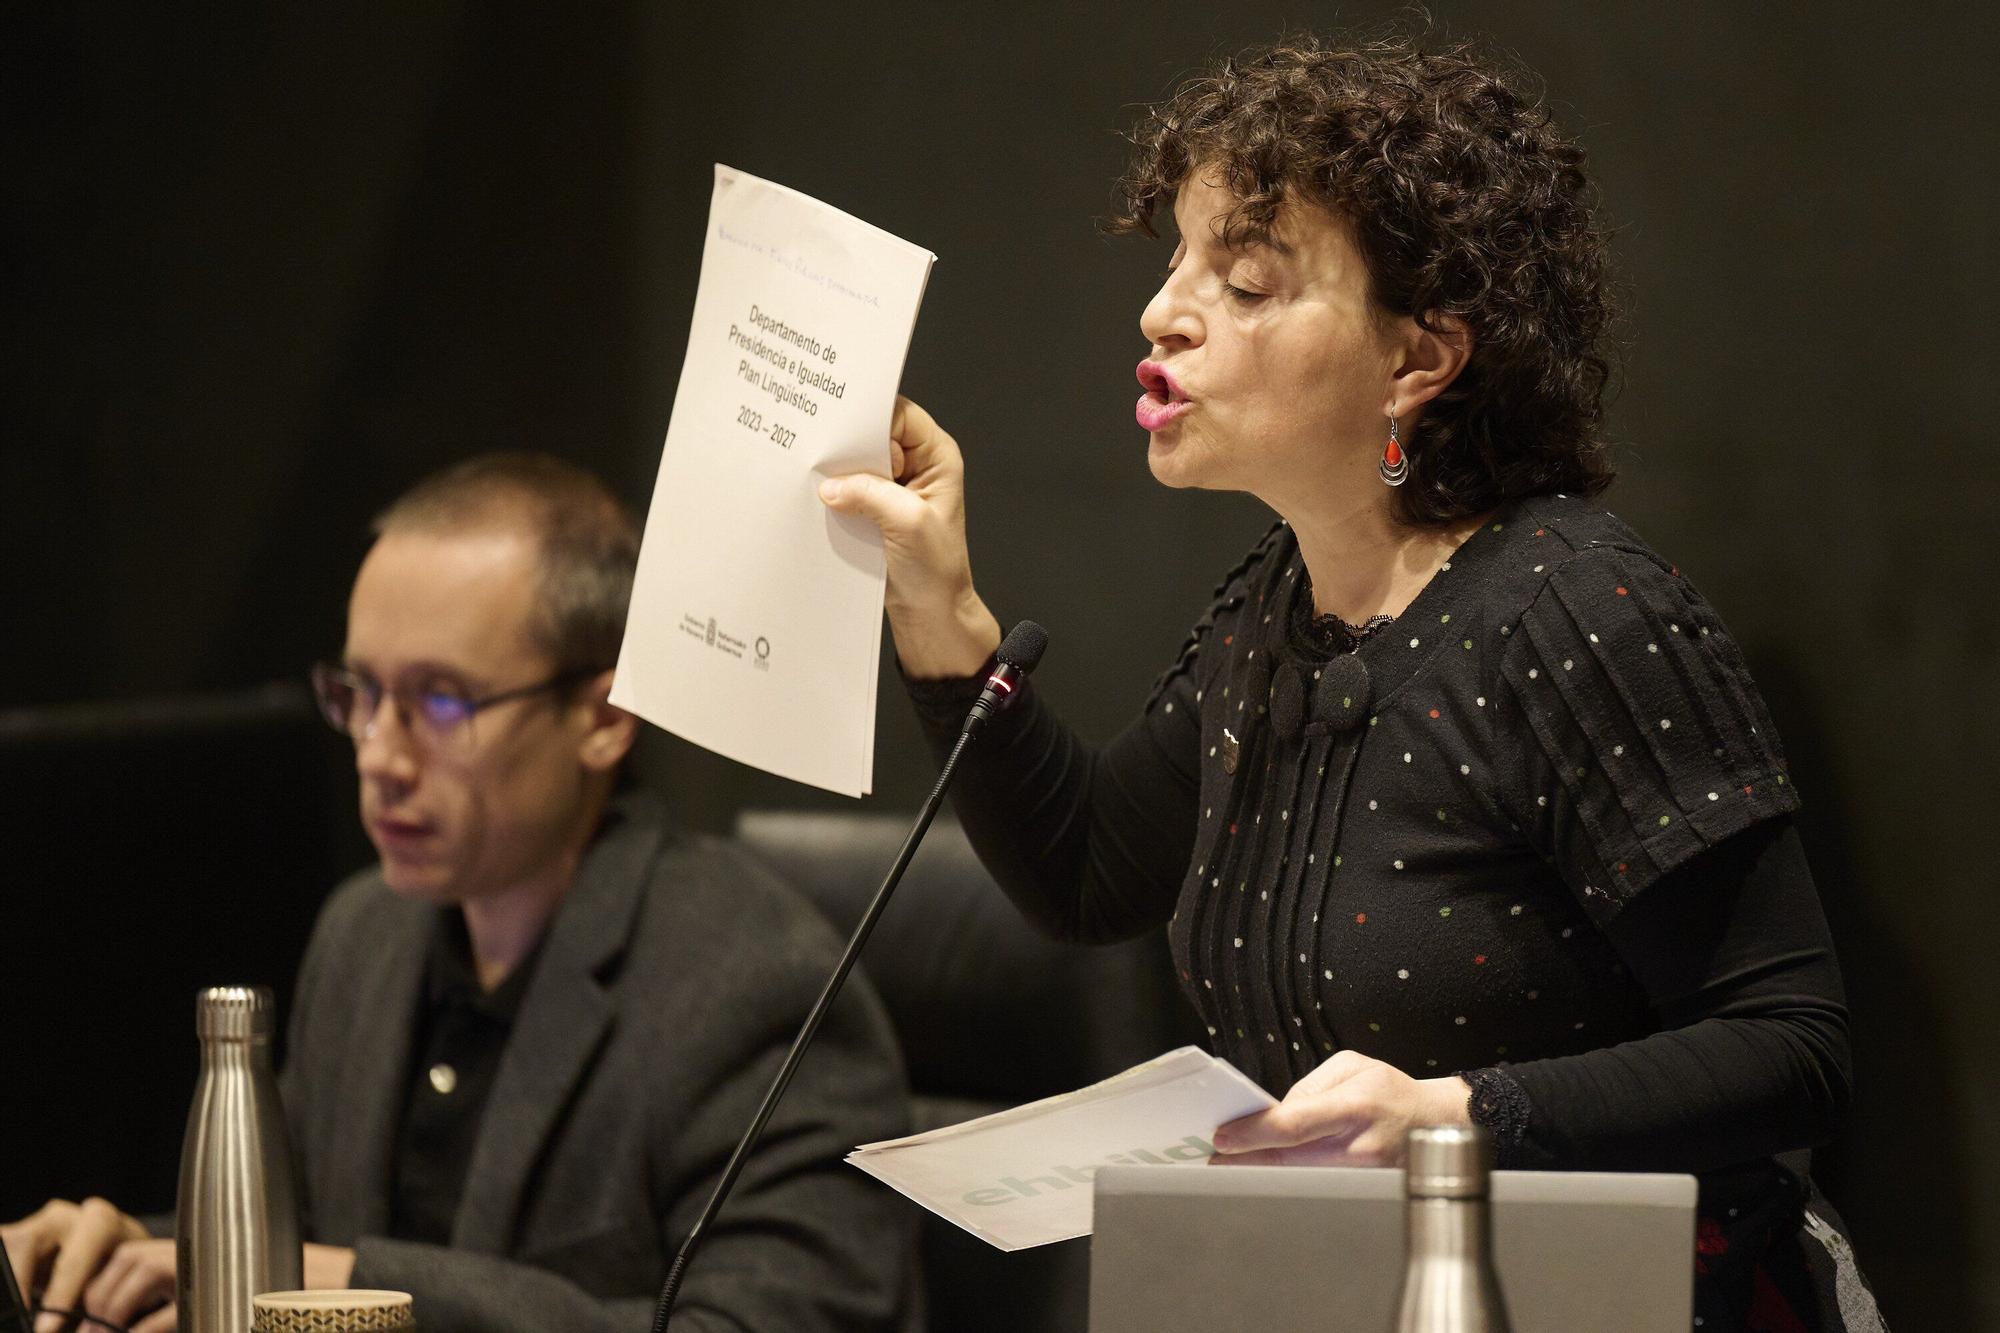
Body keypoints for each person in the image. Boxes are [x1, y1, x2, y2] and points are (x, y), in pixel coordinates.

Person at [818, 32, 1885, 1333]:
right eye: (1177, 259)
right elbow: (1091, 872)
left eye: (1250, 280)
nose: (1164, 311)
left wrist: (1453, 1116)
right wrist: (943, 616)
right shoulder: (1272, 613)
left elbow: (1793, 1047)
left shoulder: (1576, 613)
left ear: (1419, 360)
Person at [4, 454, 918, 1333]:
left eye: (441, 703)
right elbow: (298, 1240)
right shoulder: (365, 935)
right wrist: (131, 1252)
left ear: (602, 718)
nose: (382, 757)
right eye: (362, 693)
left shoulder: (761, 987)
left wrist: (364, 1289)